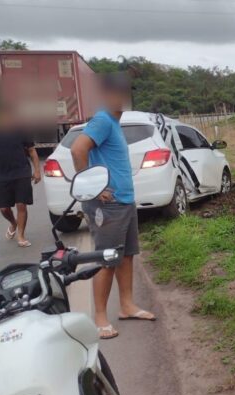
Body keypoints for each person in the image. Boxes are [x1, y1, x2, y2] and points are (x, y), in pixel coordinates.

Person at [70, 73, 155, 340]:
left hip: (124, 202)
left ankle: (128, 306)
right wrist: (92, 187)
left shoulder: (115, 124)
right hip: (109, 206)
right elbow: (77, 149)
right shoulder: (103, 120)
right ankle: (99, 318)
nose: (122, 96)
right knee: (106, 260)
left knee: (126, 255)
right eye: (117, 91)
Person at [0, 104, 41, 247]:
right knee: (4, 208)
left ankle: (21, 236)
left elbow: (31, 151)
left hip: (21, 172)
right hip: (2, 174)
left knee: (21, 205)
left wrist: (37, 171)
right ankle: (13, 223)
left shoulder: (21, 129)